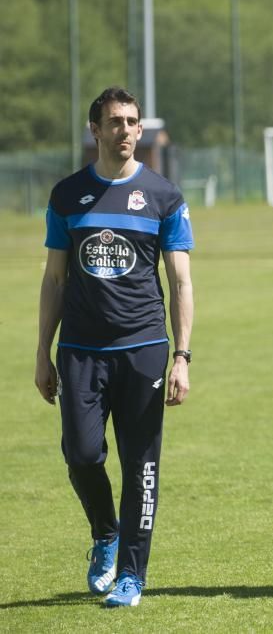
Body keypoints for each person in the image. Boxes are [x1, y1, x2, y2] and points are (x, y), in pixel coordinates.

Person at [34, 86, 195, 608]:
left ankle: (132, 574)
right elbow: (55, 280)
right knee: (81, 455)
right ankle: (105, 532)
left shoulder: (164, 196)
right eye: (115, 122)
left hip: (144, 347)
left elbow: (181, 283)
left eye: (132, 121)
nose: (125, 130)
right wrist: (42, 352)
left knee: (141, 465)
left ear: (140, 129)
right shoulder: (67, 195)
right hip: (79, 349)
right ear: (95, 130)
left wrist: (182, 356)